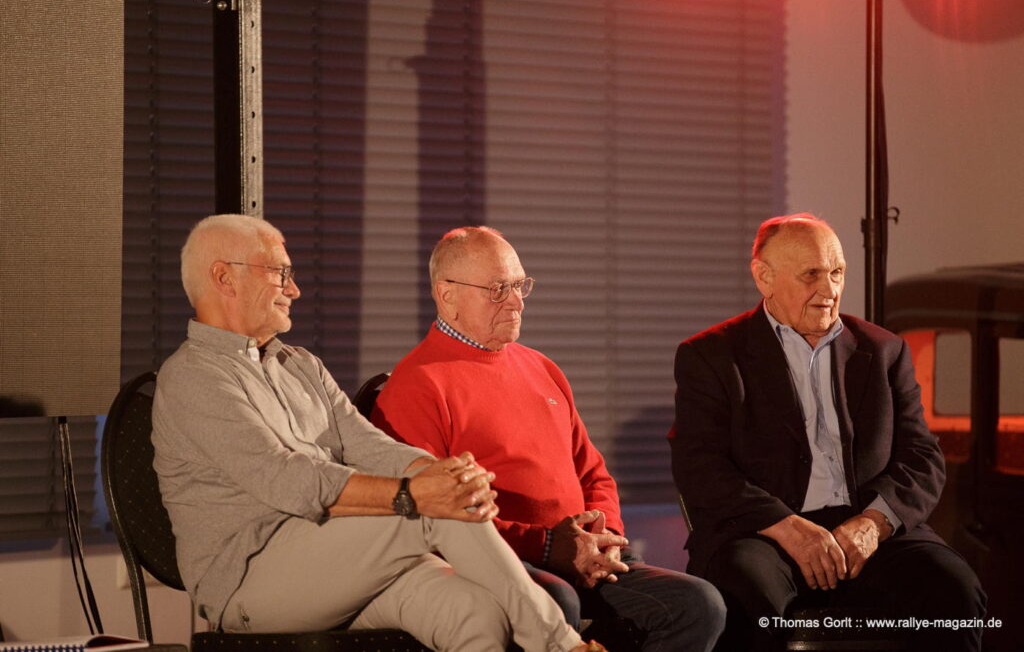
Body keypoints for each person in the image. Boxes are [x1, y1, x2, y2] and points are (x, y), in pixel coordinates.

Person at [152, 214, 605, 652]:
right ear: (224, 277)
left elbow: (368, 445)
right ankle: (562, 645)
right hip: (250, 582)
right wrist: (416, 493)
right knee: (436, 507)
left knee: (475, 613)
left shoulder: (300, 365)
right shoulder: (193, 377)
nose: (294, 289)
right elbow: (284, 478)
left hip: (340, 561)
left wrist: (442, 473)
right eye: (280, 273)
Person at [373, 226, 726, 652]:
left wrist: (604, 535)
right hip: (505, 560)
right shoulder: (416, 387)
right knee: (556, 600)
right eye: (498, 289)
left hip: (582, 552)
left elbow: (593, 473)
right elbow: (432, 516)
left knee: (698, 604)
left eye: (519, 285)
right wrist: (547, 547)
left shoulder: (541, 367)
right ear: (447, 295)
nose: (517, 302)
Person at [669, 213, 986, 651]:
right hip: (764, 532)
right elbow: (700, 468)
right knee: (747, 592)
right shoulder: (711, 356)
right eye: (811, 274)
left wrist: (874, 524)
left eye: (837, 273)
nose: (830, 290)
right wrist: (789, 528)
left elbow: (922, 457)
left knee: (954, 590)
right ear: (764, 277)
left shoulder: (884, 350)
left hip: (866, 524)